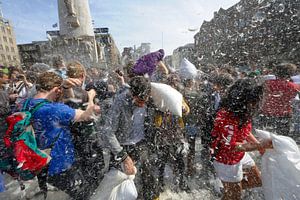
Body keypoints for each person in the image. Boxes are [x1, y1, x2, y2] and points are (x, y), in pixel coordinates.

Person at [21, 71, 100, 199]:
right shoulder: (55, 109)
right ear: (57, 90)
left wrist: (65, 88)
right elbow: (87, 116)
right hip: (61, 165)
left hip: (39, 162)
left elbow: (68, 100)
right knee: (80, 195)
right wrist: (90, 97)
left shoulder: (25, 103)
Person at [210, 79, 273, 200]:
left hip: (239, 154)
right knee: (235, 197)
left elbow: (245, 131)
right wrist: (260, 145)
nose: (258, 103)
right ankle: (230, 191)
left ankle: (229, 191)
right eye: (255, 100)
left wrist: (257, 145)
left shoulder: (242, 111)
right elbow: (232, 146)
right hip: (226, 160)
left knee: (257, 181)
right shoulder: (227, 117)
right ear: (244, 99)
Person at [102, 76, 159, 199]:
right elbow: (108, 132)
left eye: (145, 99)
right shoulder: (119, 102)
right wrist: (123, 156)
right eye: (139, 101)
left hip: (141, 144)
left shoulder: (149, 99)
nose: (143, 103)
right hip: (122, 147)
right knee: (119, 184)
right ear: (132, 94)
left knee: (149, 180)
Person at [260, 63, 300, 135]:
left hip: (266, 113)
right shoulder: (294, 86)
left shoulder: (267, 83)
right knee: (282, 138)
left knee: (265, 139)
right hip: (284, 114)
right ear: (290, 74)